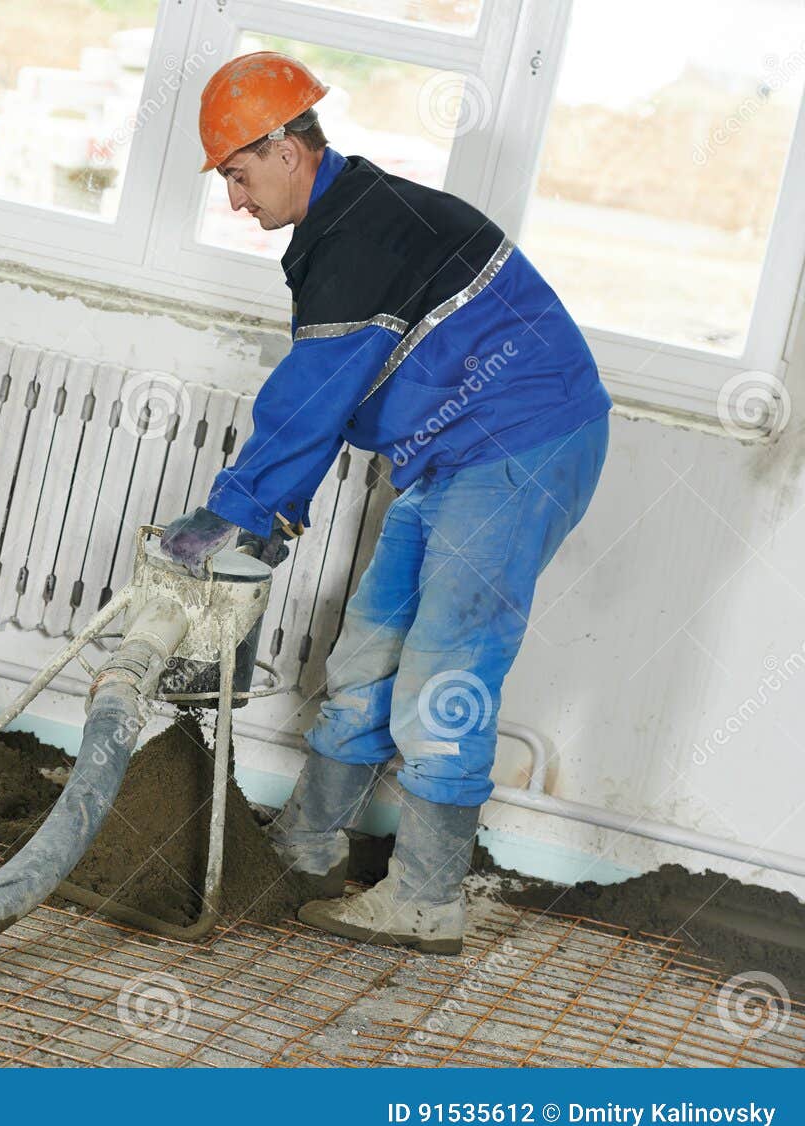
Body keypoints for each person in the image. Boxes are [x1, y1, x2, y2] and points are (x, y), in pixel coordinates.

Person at [159, 52, 611, 954]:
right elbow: (329, 406)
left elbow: (308, 408)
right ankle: (307, 844)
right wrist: (257, 514)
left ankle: (429, 897)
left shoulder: (363, 237)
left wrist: (233, 518)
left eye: (239, 175)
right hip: (445, 457)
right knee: (369, 645)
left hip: (522, 446)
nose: (236, 201)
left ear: (287, 148)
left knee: (446, 666)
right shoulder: (344, 228)